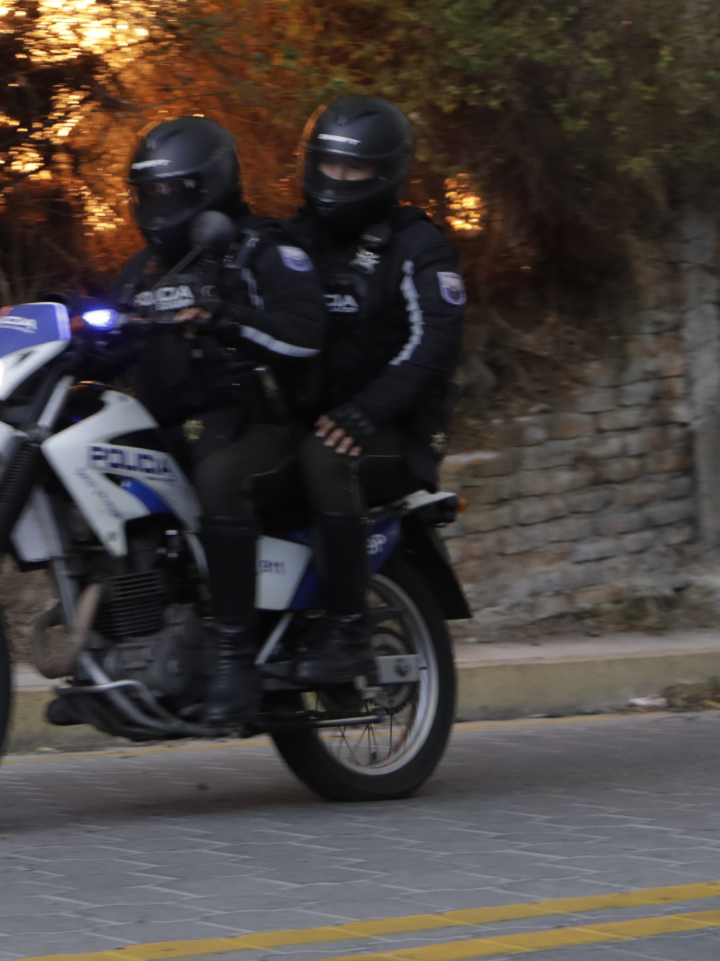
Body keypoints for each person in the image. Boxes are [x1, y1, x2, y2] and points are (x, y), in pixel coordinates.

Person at [106, 116, 326, 731]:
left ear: (209, 185)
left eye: (170, 190)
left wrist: (228, 316)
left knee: (221, 478)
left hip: (264, 426)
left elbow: (307, 334)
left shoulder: (262, 248)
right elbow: (109, 335)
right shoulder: (142, 269)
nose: (156, 204)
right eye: (147, 192)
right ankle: (113, 651)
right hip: (174, 431)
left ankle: (235, 659)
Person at [283, 95, 467, 689]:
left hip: (394, 430)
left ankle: (347, 631)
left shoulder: (419, 246)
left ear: (385, 172)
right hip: (314, 414)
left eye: (353, 170)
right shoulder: (290, 240)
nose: (337, 180)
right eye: (328, 165)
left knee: (324, 457)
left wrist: (367, 411)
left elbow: (435, 343)